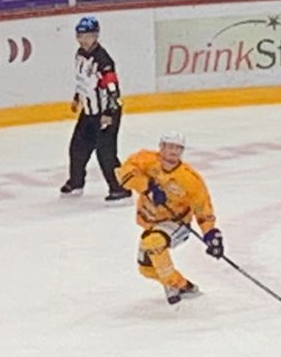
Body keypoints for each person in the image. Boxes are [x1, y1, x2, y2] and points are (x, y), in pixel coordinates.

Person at [117, 132, 220, 306]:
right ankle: (183, 285)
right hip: (151, 222)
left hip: (177, 223)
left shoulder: (189, 178)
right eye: (170, 146)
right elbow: (123, 173)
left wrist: (210, 233)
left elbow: (202, 208)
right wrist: (148, 187)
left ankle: (170, 285)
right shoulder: (146, 160)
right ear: (161, 147)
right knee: (146, 269)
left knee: (153, 243)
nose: (174, 151)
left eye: (178, 148)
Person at [63, 17, 128, 201]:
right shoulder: (79, 54)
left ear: (96, 36)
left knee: (105, 153)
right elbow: (82, 81)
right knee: (77, 147)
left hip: (107, 112)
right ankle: (76, 182)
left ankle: (120, 188)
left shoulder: (103, 61)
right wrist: (77, 98)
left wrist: (108, 113)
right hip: (89, 111)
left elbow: (113, 89)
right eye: (80, 36)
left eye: (87, 36)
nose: (83, 40)